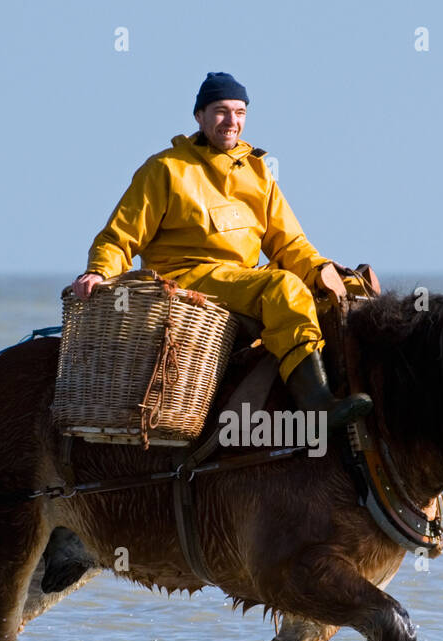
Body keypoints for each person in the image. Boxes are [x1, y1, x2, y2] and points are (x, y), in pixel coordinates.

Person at [71, 71, 372, 430]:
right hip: (185, 278)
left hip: (240, 279)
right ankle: (318, 406)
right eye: (221, 111)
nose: (232, 121)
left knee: (344, 291)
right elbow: (119, 235)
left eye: (240, 112)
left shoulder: (258, 171)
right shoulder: (166, 169)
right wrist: (99, 270)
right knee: (282, 288)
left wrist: (324, 272)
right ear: (199, 116)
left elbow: (289, 242)